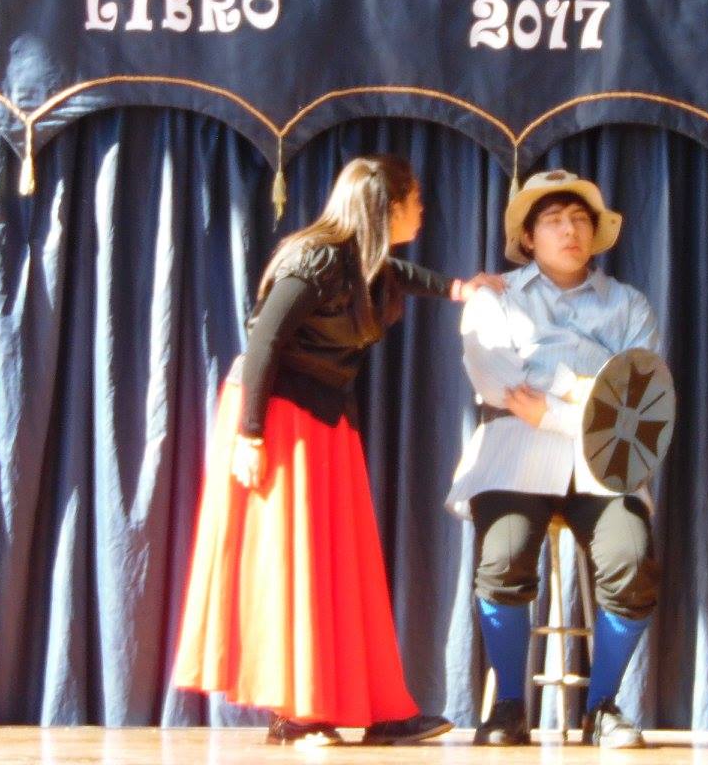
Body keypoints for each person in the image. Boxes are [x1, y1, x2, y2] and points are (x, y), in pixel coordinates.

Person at [174, 154, 499, 747]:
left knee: (343, 568)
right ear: (388, 207)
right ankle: (297, 712)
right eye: (415, 199)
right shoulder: (317, 258)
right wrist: (251, 435)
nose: (423, 209)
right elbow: (265, 340)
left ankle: (374, 708)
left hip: (323, 417)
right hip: (277, 415)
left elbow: (401, 273)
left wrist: (458, 288)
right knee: (294, 564)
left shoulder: (365, 262)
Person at [446, 169, 662, 749]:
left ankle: (602, 707)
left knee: (631, 562)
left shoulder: (629, 305)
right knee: (503, 559)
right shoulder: (496, 297)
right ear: (528, 238)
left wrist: (556, 410)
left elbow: (639, 399)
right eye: (554, 221)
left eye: (580, 220)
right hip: (514, 454)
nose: (570, 231)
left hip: (604, 461)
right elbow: (498, 382)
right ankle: (508, 709)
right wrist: (592, 392)